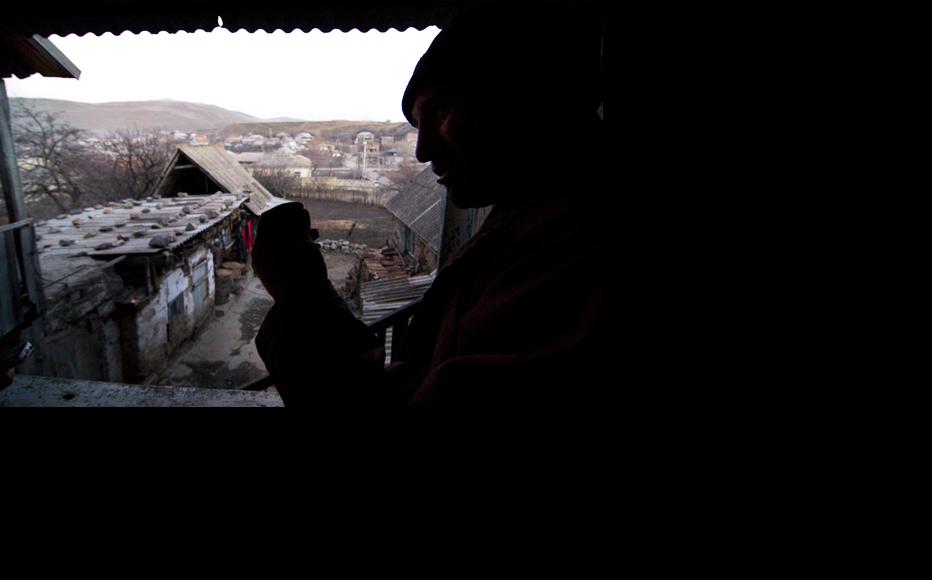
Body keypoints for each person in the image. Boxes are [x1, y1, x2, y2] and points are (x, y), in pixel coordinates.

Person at [253, 5, 605, 411]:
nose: (421, 152)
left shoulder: (572, 257)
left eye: (442, 112)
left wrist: (303, 299)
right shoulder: (530, 214)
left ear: (530, 93)